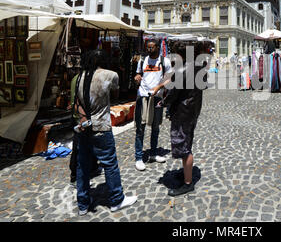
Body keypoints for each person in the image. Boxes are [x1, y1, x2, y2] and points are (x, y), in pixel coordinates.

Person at [74, 50, 136, 216]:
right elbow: (115, 92)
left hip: (83, 127)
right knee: (110, 164)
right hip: (101, 127)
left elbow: (77, 102)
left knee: (83, 166)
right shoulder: (109, 75)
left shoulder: (80, 77)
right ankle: (116, 199)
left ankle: (83, 204)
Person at [161, 42, 205, 196]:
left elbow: (173, 93)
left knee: (184, 147)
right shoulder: (198, 66)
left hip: (183, 112)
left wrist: (162, 102)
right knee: (188, 141)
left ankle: (187, 183)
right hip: (193, 110)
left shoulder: (182, 69)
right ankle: (187, 173)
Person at [134, 39, 173, 171]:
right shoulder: (142, 60)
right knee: (141, 127)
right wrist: (137, 77)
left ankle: (153, 153)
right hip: (143, 96)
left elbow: (169, 77)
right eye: (148, 47)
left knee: (155, 127)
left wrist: (159, 86)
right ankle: (138, 158)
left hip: (157, 97)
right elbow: (138, 73)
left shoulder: (164, 61)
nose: (149, 49)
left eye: (152, 47)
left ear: (157, 47)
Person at [69, 56, 101, 184]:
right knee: (79, 148)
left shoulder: (76, 78)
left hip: (79, 117)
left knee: (85, 146)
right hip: (82, 119)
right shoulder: (84, 79)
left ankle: (89, 169)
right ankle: (76, 175)